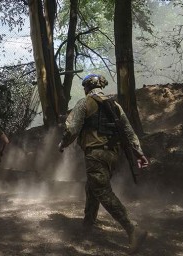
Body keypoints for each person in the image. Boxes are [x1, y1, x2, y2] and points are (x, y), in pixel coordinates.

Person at [58, 74, 150, 254]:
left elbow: (72, 129)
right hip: (113, 154)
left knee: (101, 190)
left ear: (86, 87)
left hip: (96, 153)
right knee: (92, 187)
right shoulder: (115, 105)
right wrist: (139, 153)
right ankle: (88, 225)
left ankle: (133, 229)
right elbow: (129, 131)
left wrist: (62, 144)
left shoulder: (85, 103)